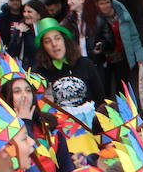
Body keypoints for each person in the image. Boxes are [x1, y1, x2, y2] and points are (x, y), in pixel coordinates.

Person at [31, 17, 106, 159]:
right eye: (48, 41)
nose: (54, 44)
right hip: (62, 133)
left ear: (64, 40)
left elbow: (100, 99)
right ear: (43, 47)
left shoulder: (85, 64)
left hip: (91, 130)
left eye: (57, 38)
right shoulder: (39, 73)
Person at [92, 0, 143, 97]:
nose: (105, 6)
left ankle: (123, 112)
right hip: (103, 60)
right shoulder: (95, 20)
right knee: (104, 91)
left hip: (122, 58)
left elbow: (134, 36)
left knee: (123, 91)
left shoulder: (122, 15)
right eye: (101, 3)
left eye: (107, 2)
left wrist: (140, 56)